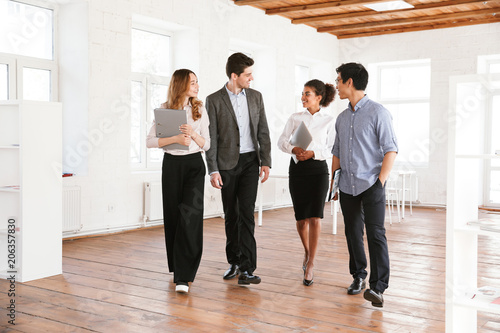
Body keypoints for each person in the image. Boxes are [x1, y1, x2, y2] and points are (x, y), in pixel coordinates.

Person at [331, 63, 398, 307]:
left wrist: (380, 182)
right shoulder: (341, 118)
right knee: (352, 233)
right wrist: (334, 185)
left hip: (371, 184)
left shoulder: (378, 112)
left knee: (375, 234)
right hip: (347, 185)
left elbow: (391, 149)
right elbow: (336, 153)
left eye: (338, 80)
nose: (336, 85)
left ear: (349, 82)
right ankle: (358, 276)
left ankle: (378, 288)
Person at [205, 52, 272, 285]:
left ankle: (247, 269)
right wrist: (212, 169)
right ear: (234, 76)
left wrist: (266, 161)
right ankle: (233, 261)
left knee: (246, 214)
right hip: (226, 165)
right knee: (231, 215)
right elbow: (210, 137)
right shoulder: (213, 100)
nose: (251, 78)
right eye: (247, 74)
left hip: (250, 162)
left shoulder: (256, 97)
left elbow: (263, 130)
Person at [146, 69, 210, 293]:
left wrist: (192, 134)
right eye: (193, 82)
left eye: (197, 82)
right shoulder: (164, 109)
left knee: (190, 218)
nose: (197, 86)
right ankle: (177, 267)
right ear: (181, 85)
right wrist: (174, 138)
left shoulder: (199, 109)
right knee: (173, 217)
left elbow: (207, 144)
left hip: (194, 165)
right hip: (172, 166)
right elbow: (150, 141)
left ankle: (184, 276)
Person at [277, 79, 336, 286]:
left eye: (307, 94)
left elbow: (331, 148)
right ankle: (307, 252)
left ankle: (311, 263)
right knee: (301, 219)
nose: (303, 97)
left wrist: (313, 152)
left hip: (318, 171)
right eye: (302, 93)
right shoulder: (295, 118)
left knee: (315, 218)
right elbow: (282, 141)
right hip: (298, 170)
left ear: (319, 97)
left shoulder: (329, 121)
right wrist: (293, 149)